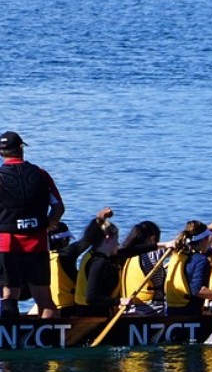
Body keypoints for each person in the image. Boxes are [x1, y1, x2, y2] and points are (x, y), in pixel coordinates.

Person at [0, 131, 65, 318]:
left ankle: (10, 341)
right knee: (44, 299)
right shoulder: (41, 174)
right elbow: (58, 207)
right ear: (21, 148)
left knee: (9, 294)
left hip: (7, 243)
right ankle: (49, 341)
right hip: (37, 242)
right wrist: (48, 225)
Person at [73, 217, 164, 316]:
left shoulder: (97, 255)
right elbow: (91, 297)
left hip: (97, 311)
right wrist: (119, 301)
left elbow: (130, 251)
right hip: (91, 314)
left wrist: (162, 245)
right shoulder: (98, 262)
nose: (118, 243)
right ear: (107, 238)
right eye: (116, 239)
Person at [119, 221, 167, 314]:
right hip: (152, 308)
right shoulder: (153, 255)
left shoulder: (125, 255)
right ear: (152, 239)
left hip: (128, 308)